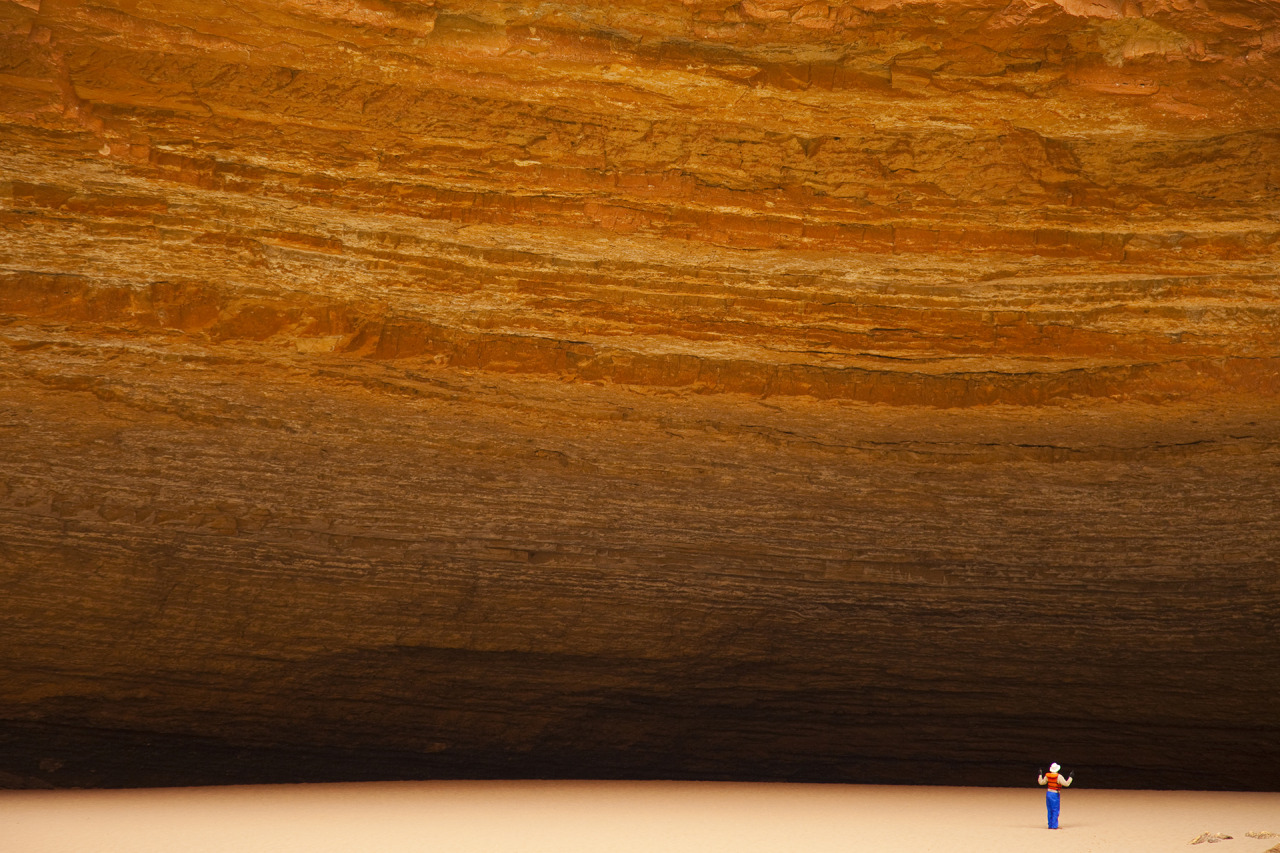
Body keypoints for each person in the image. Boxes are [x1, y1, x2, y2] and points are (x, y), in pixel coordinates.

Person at [1038, 762, 1073, 829]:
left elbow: (1041, 782)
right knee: (1055, 809)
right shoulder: (1058, 776)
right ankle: (1054, 825)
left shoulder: (1047, 776)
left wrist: (1040, 775)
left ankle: (1050, 824)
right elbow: (1066, 784)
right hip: (1055, 794)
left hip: (1048, 793)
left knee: (1049, 809)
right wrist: (1070, 777)